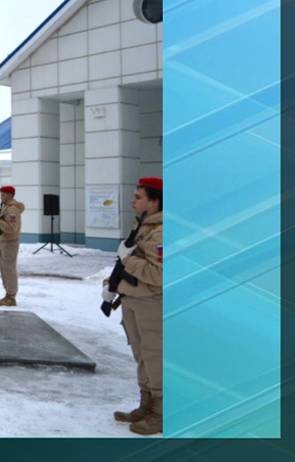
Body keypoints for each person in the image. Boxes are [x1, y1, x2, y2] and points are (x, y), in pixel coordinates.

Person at [107, 177, 163, 435]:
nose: (133, 200)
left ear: (154, 201)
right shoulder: (141, 226)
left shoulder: (161, 231)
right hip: (133, 301)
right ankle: (146, 405)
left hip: (150, 304)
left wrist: (128, 260)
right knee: (142, 356)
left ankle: (162, 413)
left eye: (139, 197)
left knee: (155, 356)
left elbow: (160, 274)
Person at [0, 185, 25, 307]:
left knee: (9, 270)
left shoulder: (12, 210)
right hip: (4, 242)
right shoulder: (6, 207)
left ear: (11, 195)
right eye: (1, 194)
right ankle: (8, 295)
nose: (1, 197)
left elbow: (12, 228)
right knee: (4, 270)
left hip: (10, 243)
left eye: (3, 194)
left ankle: (11, 297)